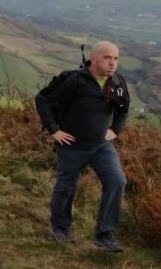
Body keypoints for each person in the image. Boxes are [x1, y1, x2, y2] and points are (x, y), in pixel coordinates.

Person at [35, 41, 129, 252]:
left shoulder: (118, 82)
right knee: (66, 186)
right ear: (94, 59)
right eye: (107, 58)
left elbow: (123, 109)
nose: (112, 63)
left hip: (101, 146)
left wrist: (115, 130)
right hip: (72, 145)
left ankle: (105, 235)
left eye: (116, 58)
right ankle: (60, 229)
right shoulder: (74, 80)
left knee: (117, 181)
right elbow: (42, 99)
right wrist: (53, 130)